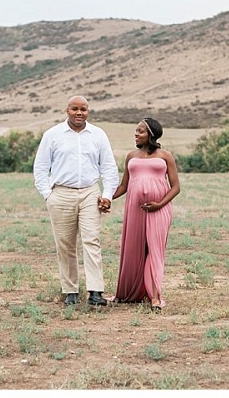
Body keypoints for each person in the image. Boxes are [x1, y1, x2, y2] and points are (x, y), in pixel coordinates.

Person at [33, 96, 119, 307]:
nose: (79, 113)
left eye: (83, 109)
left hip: (90, 192)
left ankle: (95, 291)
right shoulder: (53, 135)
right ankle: (70, 290)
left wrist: (107, 194)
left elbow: (108, 167)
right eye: (75, 109)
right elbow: (41, 167)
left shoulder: (98, 135)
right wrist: (48, 194)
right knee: (65, 244)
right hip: (61, 194)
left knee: (91, 240)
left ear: (88, 111)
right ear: (67, 110)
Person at [110, 118, 180, 310]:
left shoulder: (165, 156)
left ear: (151, 134)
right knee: (134, 249)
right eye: (136, 131)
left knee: (154, 249)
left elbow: (176, 187)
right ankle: (127, 292)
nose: (136, 134)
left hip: (160, 209)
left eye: (140, 131)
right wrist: (107, 198)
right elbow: (124, 186)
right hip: (135, 209)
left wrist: (159, 204)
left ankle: (155, 296)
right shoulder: (131, 156)